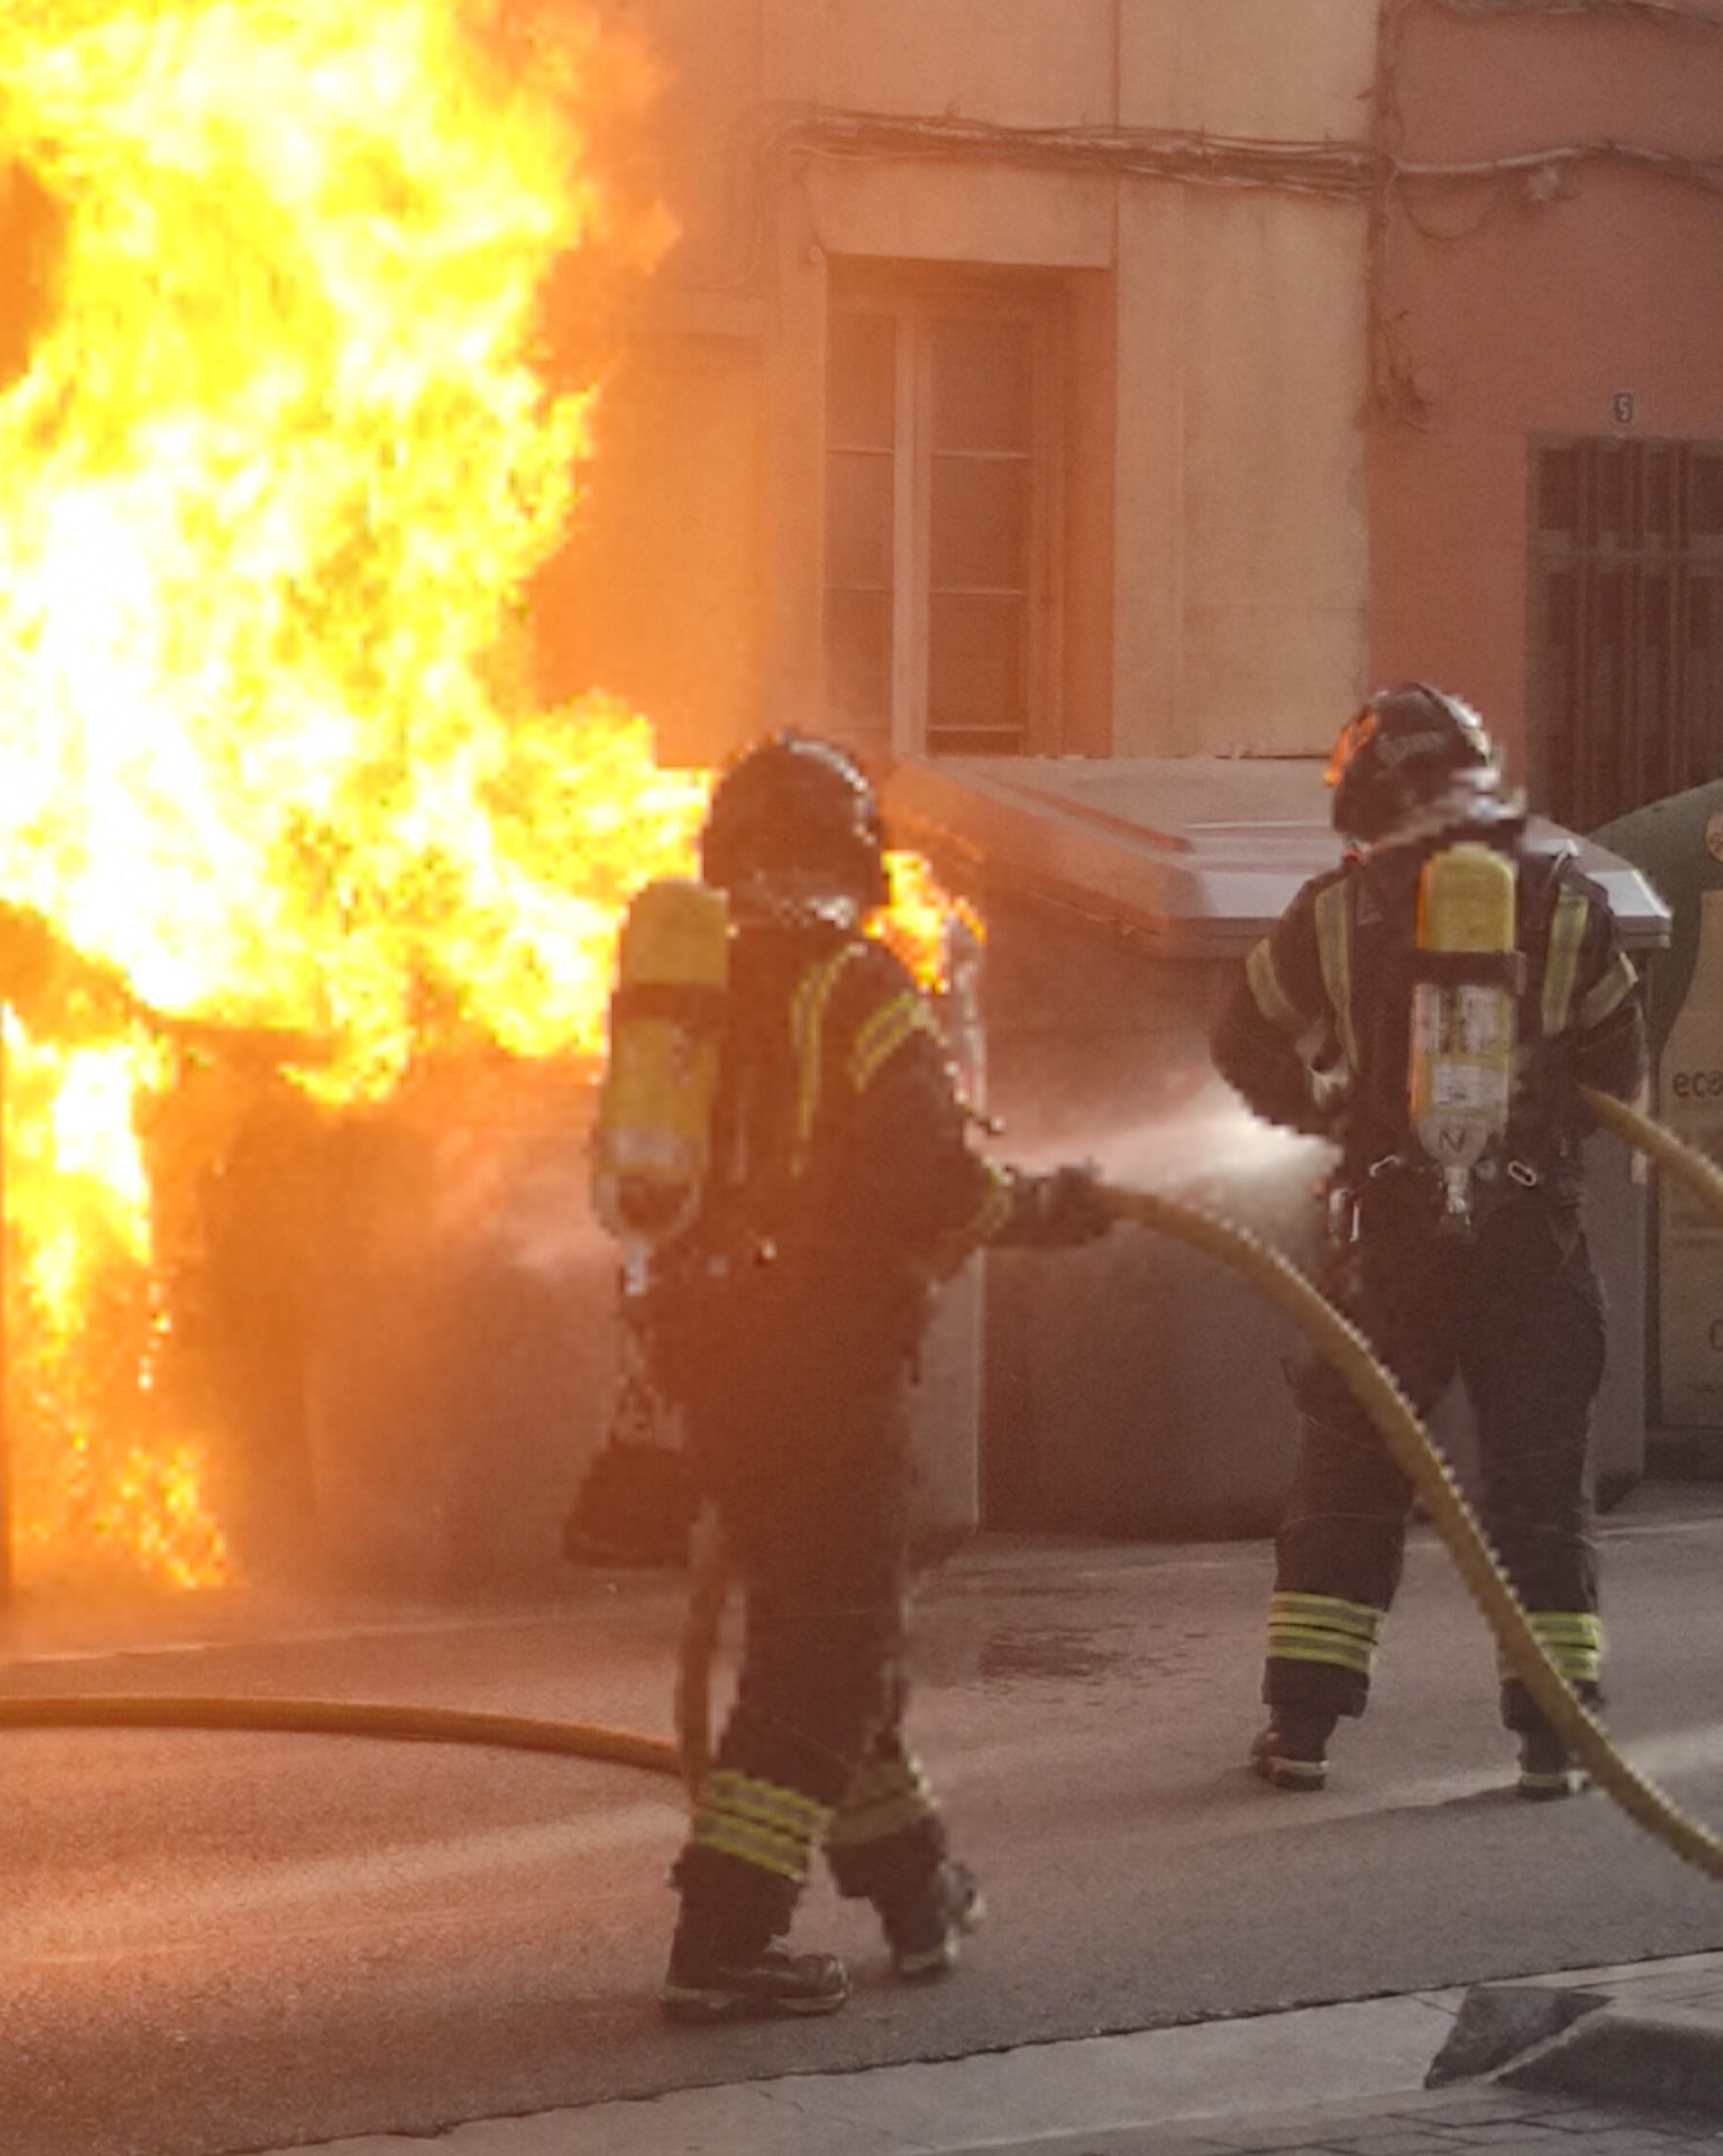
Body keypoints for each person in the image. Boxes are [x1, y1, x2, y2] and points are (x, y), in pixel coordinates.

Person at [601, 733, 1112, 2025]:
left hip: (714, 1361)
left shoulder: (691, 986)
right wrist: (1047, 1205)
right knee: (826, 1652)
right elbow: (925, 1182)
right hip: (827, 1361)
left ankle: (915, 1889)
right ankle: (726, 1936)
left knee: (828, 1638)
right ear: (853, 861)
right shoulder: (858, 985)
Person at [1211, 682, 1648, 1802]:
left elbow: (1240, 1040)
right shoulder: (1566, 901)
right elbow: (1615, 1066)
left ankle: (1301, 1733)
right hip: (1531, 1251)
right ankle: (1554, 1742)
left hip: (1390, 1249)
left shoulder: (1328, 912)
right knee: (1538, 1493)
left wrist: (1331, 1109)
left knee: (1350, 1483)